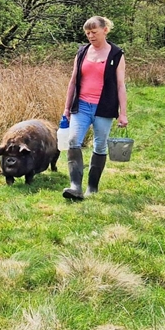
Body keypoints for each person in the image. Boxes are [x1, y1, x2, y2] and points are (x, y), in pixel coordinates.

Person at [61, 16, 128, 200]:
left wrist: (123, 113)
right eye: (87, 33)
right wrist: (67, 108)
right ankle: (75, 187)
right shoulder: (82, 52)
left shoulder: (116, 54)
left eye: (94, 32)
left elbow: (120, 85)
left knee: (99, 145)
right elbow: (73, 81)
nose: (90, 36)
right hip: (81, 105)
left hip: (104, 107)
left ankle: (92, 187)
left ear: (105, 30)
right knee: (73, 140)